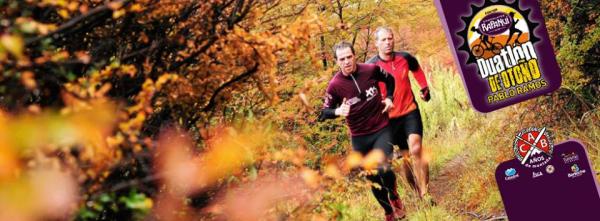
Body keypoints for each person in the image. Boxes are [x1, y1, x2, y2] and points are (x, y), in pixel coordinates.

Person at [319, 41, 406, 221]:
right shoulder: (335, 85)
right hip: (359, 137)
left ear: (354, 56)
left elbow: (389, 79)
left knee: (383, 168)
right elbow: (323, 113)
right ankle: (388, 211)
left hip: (381, 128)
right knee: (372, 178)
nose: (346, 62)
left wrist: (389, 98)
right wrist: (337, 111)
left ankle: (394, 194)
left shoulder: (370, 69)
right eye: (342, 59)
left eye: (349, 57)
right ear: (337, 62)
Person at [367, 27, 431, 199]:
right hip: (388, 120)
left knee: (416, 148)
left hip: (410, 111)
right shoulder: (371, 67)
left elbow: (416, 69)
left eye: (390, 38)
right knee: (405, 157)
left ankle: (426, 193)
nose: (388, 42)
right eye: (383, 40)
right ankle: (416, 191)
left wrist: (424, 87)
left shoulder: (405, 57)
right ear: (376, 44)